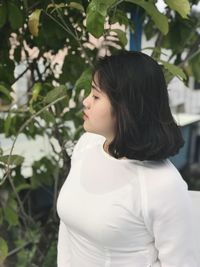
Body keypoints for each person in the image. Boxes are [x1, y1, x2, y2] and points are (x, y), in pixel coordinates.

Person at [56, 50, 199, 267]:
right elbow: (69, 234)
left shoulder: (163, 184)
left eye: (95, 96)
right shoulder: (88, 144)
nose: (86, 102)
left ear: (126, 108)